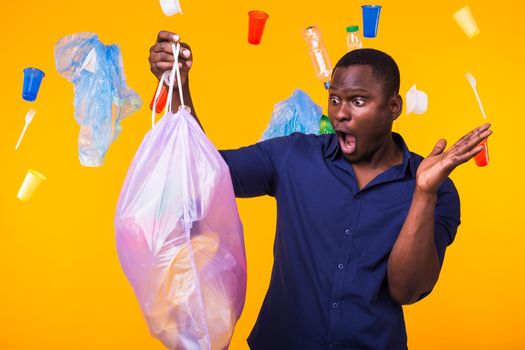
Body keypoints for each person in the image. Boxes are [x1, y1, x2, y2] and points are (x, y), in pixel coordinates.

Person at [148, 31, 492, 350]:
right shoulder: (292, 156)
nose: (341, 113)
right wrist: (179, 85)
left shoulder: (436, 187)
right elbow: (203, 172)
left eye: (358, 101)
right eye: (335, 99)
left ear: (393, 108)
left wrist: (423, 194)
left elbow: (407, 289)